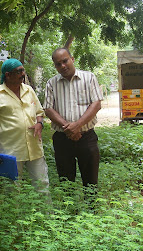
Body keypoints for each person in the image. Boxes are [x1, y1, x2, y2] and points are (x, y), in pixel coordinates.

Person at [0, 58, 50, 198]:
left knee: (42, 185)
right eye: (19, 71)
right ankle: (13, 219)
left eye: (23, 70)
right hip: (12, 150)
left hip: (34, 148)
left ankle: (47, 217)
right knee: (12, 189)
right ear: (8, 74)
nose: (23, 74)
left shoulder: (29, 90)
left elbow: (39, 113)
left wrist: (39, 123)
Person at [44, 48, 103, 201]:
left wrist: (78, 125)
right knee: (65, 181)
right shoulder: (51, 83)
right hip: (62, 140)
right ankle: (69, 215)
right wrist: (68, 127)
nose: (62, 65)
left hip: (87, 137)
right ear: (55, 66)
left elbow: (96, 104)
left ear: (72, 59)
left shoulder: (89, 78)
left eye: (65, 61)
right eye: (58, 64)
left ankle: (92, 212)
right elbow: (48, 109)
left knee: (91, 181)